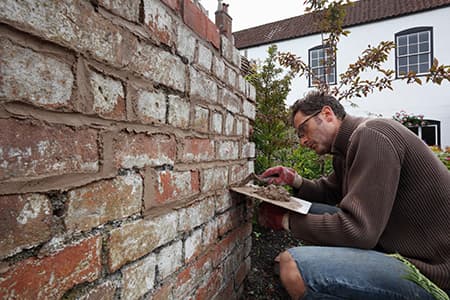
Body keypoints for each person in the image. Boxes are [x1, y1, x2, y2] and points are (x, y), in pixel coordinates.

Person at [258, 91, 450, 299]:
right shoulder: (346, 148)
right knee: (307, 209)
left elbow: (358, 231)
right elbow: (330, 192)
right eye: (299, 136)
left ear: (327, 114)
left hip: (432, 274)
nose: (303, 141)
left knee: (293, 267)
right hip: (398, 245)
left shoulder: (373, 136)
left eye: (303, 130)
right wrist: (293, 180)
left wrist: (286, 220)